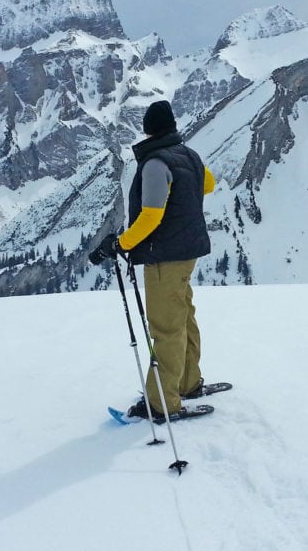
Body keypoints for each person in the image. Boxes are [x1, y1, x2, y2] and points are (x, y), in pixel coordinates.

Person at [89, 99, 215, 420]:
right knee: (183, 318)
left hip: (165, 258)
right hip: (187, 253)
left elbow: (151, 216)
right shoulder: (189, 155)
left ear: (148, 129)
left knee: (166, 328)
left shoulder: (156, 163)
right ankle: (187, 383)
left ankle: (161, 403)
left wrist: (122, 243)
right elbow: (209, 184)